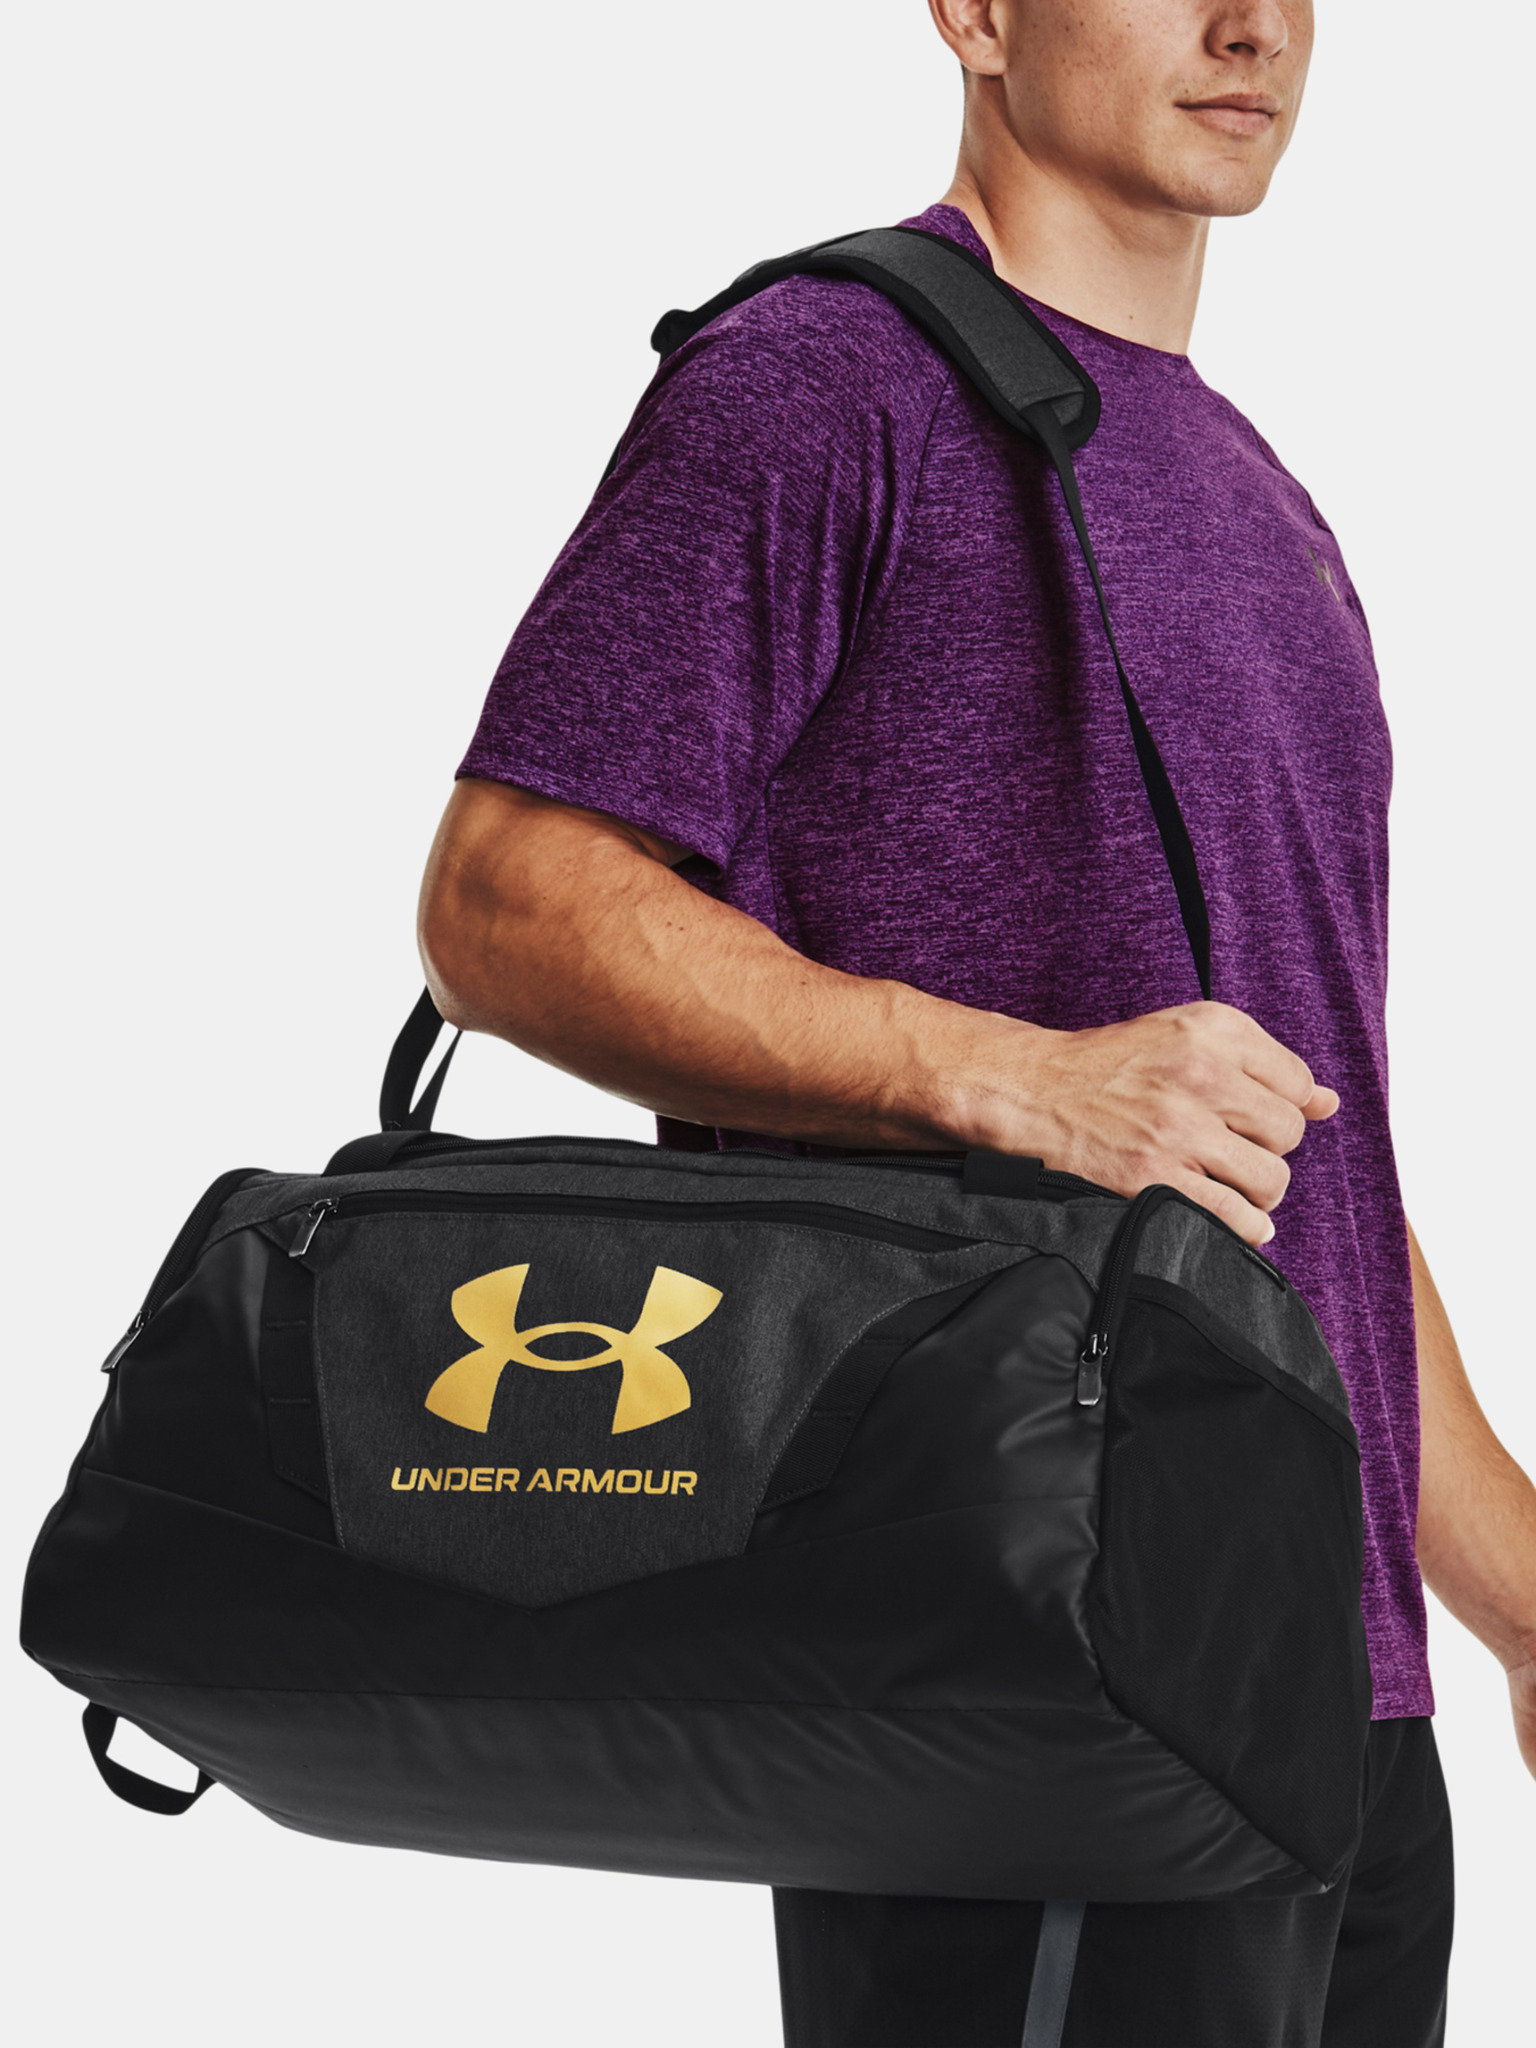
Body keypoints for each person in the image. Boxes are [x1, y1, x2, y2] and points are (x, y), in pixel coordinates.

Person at [416, 2, 1536, 2040]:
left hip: (1339, 1709)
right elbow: (505, 904)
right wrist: (1019, 1080)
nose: (1253, 23)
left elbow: (1302, 1160)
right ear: (977, 10)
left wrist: (1518, 1602)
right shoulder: (822, 382)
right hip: (1023, 1686)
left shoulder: (1265, 503)